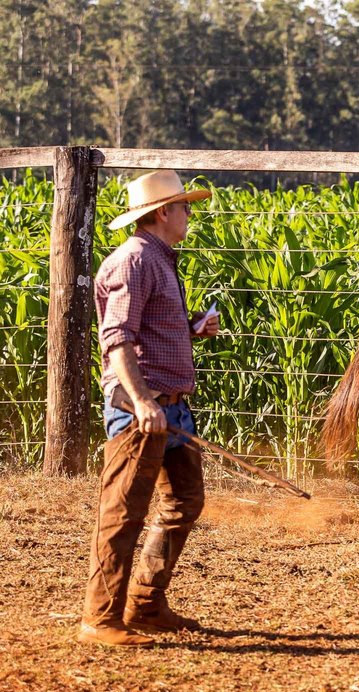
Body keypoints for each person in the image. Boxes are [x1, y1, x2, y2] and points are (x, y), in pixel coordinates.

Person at [79, 170, 218, 647]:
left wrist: (192, 327)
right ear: (163, 213)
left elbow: (149, 328)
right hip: (145, 408)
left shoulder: (157, 260)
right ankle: (100, 618)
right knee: (122, 512)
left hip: (170, 408)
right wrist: (140, 401)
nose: (189, 214)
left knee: (184, 500)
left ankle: (145, 602)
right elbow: (117, 338)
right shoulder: (135, 261)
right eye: (184, 206)